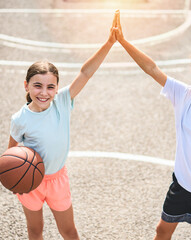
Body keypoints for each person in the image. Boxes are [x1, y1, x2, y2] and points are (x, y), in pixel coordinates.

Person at [112, 10, 191, 240]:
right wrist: (122, 41)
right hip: (181, 184)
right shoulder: (184, 95)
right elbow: (152, 69)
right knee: (161, 231)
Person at [7, 13, 118, 240]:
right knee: (35, 229)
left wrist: (109, 43)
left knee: (68, 231)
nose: (44, 92)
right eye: (37, 86)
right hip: (30, 182)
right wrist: (14, 178)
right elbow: (10, 153)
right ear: (26, 86)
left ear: (57, 88)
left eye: (50, 86)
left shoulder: (63, 103)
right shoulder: (20, 118)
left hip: (57, 179)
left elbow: (86, 72)